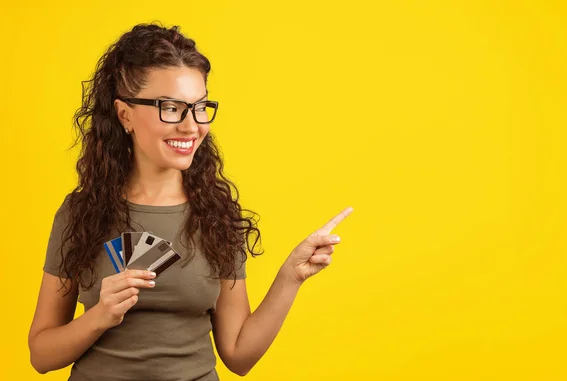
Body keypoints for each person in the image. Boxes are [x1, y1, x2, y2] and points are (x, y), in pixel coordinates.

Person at [28, 23, 353, 381]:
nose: (191, 125)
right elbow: (41, 355)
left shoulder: (216, 215)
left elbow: (239, 356)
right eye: (171, 107)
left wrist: (291, 276)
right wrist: (99, 316)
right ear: (125, 115)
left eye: (199, 108)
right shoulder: (80, 212)